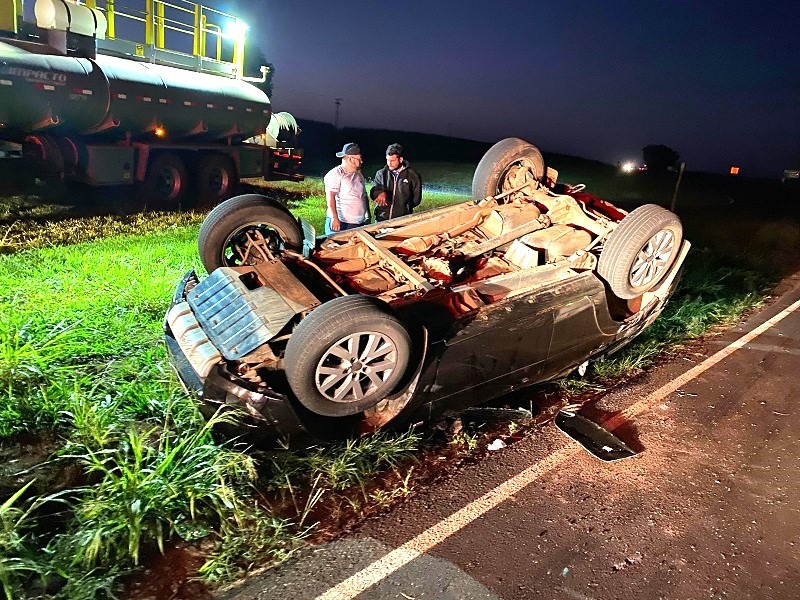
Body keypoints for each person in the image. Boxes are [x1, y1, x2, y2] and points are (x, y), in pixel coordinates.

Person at [324, 143, 369, 234]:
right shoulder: (336, 174)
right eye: (359, 158)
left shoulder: (359, 175)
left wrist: (367, 215)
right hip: (342, 223)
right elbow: (330, 196)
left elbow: (363, 196)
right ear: (350, 158)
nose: (361, 161)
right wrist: (334, 218)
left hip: (358, 223)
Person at [370, 143, 422, 222]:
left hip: (402, 220)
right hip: (382, 219)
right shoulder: (381, 173)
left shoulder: (413, 176)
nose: (389, 163)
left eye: (392, 160)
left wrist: (404, 207)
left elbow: (416, 199)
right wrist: (379, 193)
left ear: (400, 159)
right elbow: (375, 190)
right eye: (387, 160)